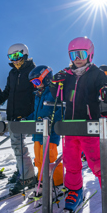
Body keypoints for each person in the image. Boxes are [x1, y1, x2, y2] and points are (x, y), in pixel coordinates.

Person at [50, 36, 107, 213]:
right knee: (71, 163)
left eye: (81, 54)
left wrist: (106, 90)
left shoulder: (96, 73)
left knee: (98, 164)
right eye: (73, 54)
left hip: (90, 125)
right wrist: (54, 84)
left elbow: (104, 86)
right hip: (70, 126)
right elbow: (56, 96)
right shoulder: (66, 74)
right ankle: (75, 191)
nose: (77, 58)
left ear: (89, 54)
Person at [0, 43, 37, 194]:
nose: (14, 60)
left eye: (16, 56)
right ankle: (22, 171)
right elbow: (6, 93)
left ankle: (28, 176)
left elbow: (36, 92)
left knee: (19, 146)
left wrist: (31, 114)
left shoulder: (32, 71)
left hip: (26, 115)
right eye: (11, 57)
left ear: (24, 54)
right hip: (13, 115)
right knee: (16, 146)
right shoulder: (12, 73)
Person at [26, 65, 63, 199]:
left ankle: (57, 182)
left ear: (46, 78)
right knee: (38, 159)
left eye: (36, 81)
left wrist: (52, 120)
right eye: (33, 83)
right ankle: (42, 181)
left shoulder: (53, 92)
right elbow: (36, 114)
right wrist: (27, 119)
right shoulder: (37, 95)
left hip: (50, 133)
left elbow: (60, 109)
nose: (35, 86)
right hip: (37, 133)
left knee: (49, 159)